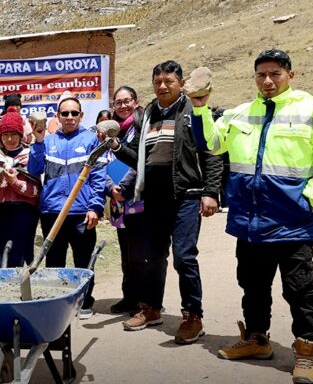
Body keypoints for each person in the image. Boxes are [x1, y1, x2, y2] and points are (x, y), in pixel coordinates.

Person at [191, 49, 313, 384]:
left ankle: (308, 350)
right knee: (253, 286)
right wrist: (200, 106)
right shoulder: (241, 113)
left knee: (299, 289)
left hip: (292, 223)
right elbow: (212, 144)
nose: (268, 81)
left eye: (275, 74)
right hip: (250, 223)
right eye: (261, 75)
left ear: (291, 74)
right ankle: (257, 340)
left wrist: (308, 202)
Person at [112, 61, 221, 343]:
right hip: (154, 198)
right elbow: (138, 157)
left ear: (181, 84)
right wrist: (116, 146)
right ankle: (150, 308)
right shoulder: (147, 114)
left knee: (184, 257)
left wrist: (211, 191)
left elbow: (211, 152)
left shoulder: (193, 111)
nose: (162, 86)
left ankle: (193, 316)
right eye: (157, 81)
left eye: (169, 81)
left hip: (185, 195)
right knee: (152, 256)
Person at [28, 96, 106, 320]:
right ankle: (59, 304)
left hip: (82, 212)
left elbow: (98, 177)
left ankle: (84, 302)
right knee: (54, 262)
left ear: (81, 116)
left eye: (74, 113)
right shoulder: (49, 141)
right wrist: (39, 140)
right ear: (57, 116)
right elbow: (35, 168)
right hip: (52, 212)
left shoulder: (92, 140)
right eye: (65, 113)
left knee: (83, 261)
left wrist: (95, 207)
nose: (70, 117)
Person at [0, 105, 40, 268]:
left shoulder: (31, 155)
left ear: (21, 135)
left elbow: (35, 190)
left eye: (14, 134)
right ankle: (1, 291)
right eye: (5, 134)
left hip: (24, 213)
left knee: (22, 255)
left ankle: (23, 291)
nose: (10, 139)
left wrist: (14, 182)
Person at [107, 86, 145, 315]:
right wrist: (111, 188)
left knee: (140, 252)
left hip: (137, 199)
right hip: (117, 201)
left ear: (136, 102)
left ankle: (144, 300)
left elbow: (140, 161)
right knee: (125, 252)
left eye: (126, 101)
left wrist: (125, 187)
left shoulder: (142, 126)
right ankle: (129, 296)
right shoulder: (114, 131)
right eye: (118, 102)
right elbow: (102, 163)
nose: (122, 105)